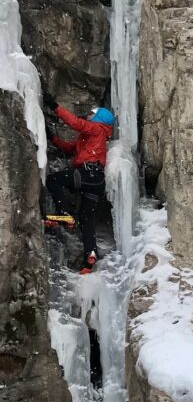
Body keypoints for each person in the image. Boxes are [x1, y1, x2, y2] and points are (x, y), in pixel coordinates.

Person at [43, 93, 115, 275]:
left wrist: (55, 106)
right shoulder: (89, 138)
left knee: (54, 180)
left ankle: (64, 213)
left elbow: (75, 123)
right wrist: (51, 137)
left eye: (92, 113)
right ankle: (89, 256)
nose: (88, 116)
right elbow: (68, 147)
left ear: (99, 118)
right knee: (86, 217)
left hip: (87, 173)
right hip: (97, 181)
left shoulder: (96, 129)